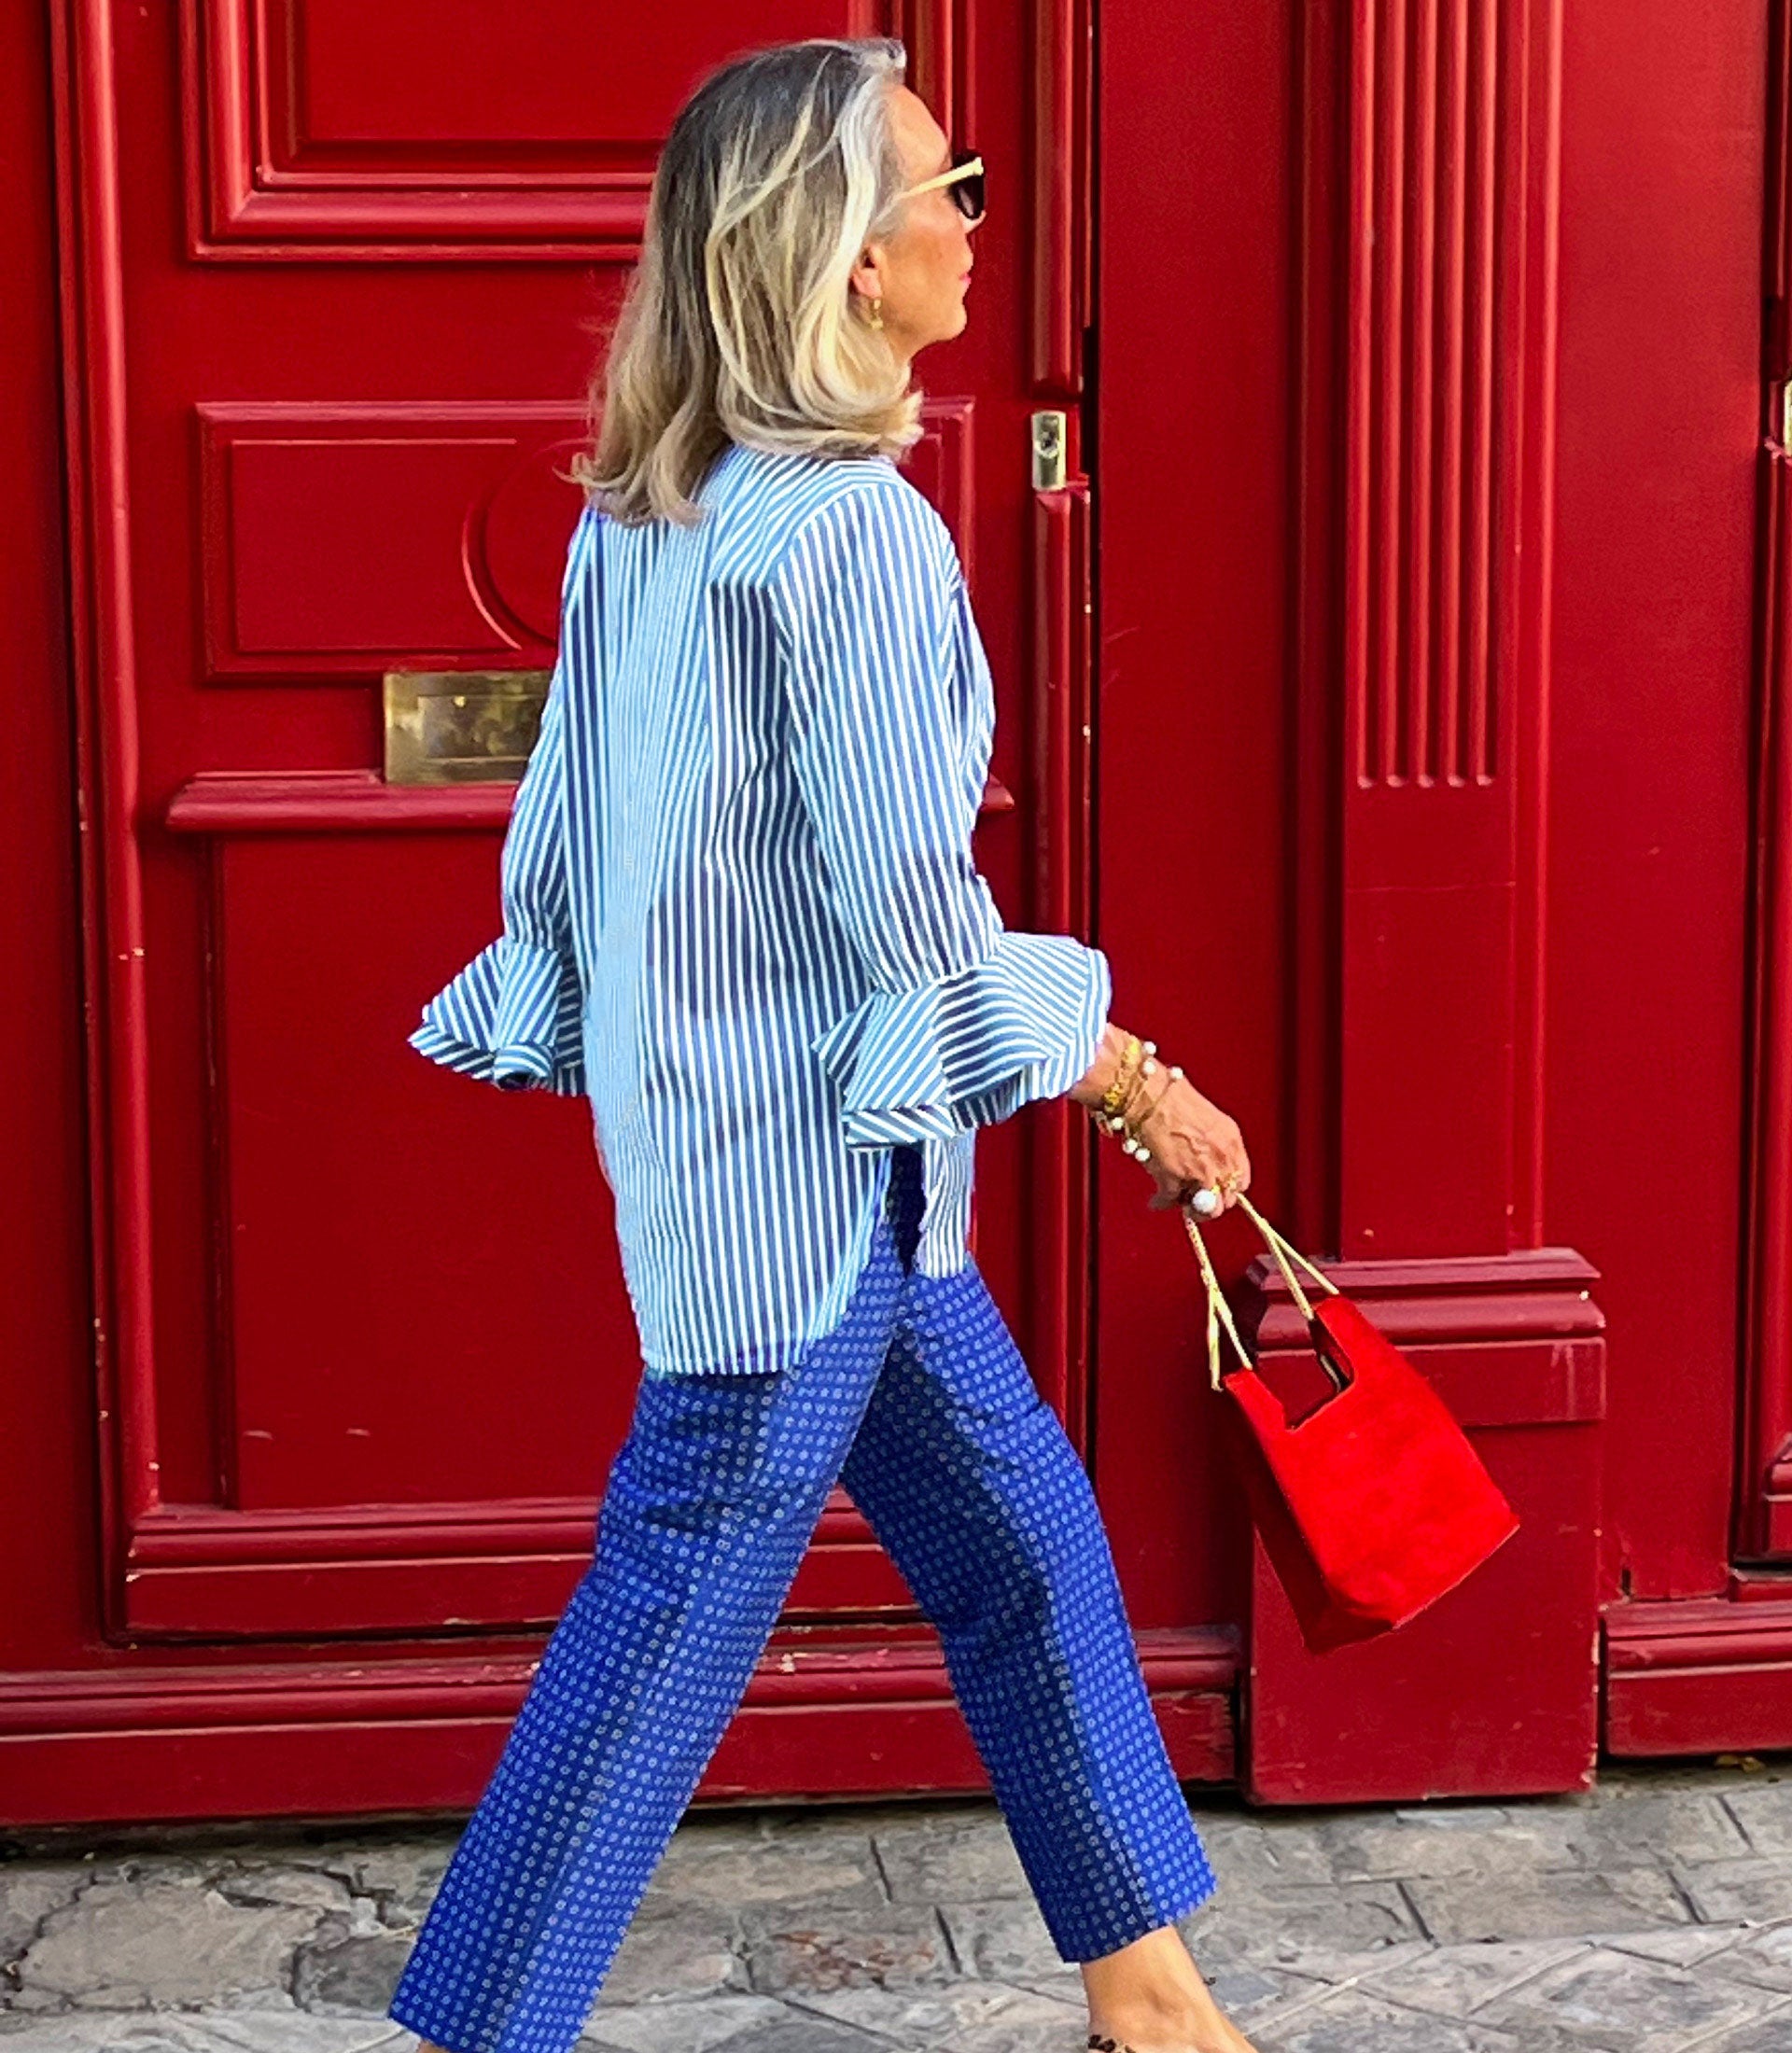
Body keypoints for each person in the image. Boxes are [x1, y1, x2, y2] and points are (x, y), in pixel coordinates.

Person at [387, 35, 1257, 2053]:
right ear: (850, 259)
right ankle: (473, 2029)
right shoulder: (852, 534)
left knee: (1026, 1546)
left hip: (787, 1171)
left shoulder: (656, 513)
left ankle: (1156, 2003)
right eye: (945, 190)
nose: (973, 225)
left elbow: (564, 845)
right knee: (672, 1613)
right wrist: (1127, 1067)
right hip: (802, 1196)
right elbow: (904, 908)